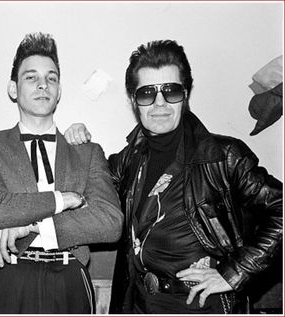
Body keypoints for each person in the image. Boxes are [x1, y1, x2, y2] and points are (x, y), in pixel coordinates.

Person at [67, 40, 283, 314]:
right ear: (135, 101)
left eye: (170, 91)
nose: (159, 104)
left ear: (185, 94)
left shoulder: (223, 156)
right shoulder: (128, 160)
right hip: (139, 303)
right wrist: (75, 146)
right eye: (147, 93)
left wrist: (234, 273)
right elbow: (86, 193)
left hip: (200, 305)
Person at [0, 32, 123, 314]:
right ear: (13, 89)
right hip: (9, 276)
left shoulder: (88, 152)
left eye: (51, 78)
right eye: (31, 77)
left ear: (59, 90)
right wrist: (67, 199)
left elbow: (111, 223)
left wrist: (31, 227)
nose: (43, 85)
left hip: (71, 278)